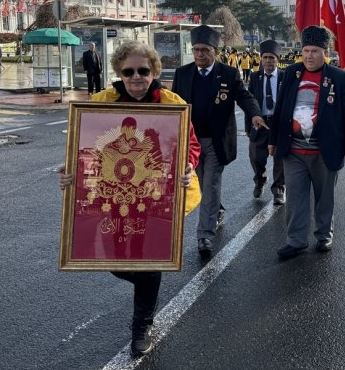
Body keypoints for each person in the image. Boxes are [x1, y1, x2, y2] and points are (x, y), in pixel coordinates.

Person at [57, 40, 201, 357]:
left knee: (149, 259)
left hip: (158, 197)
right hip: (114, 196)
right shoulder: (101, 101)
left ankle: (142, 326)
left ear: (154, 71)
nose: (136, 77)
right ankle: (146, 280)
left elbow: (190, 145)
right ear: (119, 72)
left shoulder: (171, 102)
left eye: (143, 71)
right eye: (129, 71)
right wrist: (71, 173)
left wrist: (188, 165)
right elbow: (85, 147)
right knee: (117, 259)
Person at [172, 25, 266, 257]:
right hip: (191, 143)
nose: (199, 55)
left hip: (216, 142)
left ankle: (205, 235)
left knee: (211, 183)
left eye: (204, 50)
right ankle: (217, 209)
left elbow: (245, 96)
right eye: (195, 50)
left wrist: (254, 114)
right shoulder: (182, 74)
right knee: (204, 183)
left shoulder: (229, 74)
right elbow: (171, 104)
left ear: (215, 50)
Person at [268, 26, 345, 260]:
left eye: (315, 51)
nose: (309, 56)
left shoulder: (339, 77)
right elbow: (280, 109)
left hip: (324, 150)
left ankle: (323, 235)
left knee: (324, 197)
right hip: (294, 151)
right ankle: (296, 241)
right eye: (305, 50)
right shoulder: (291, 73)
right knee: (296, 199)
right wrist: (273, 140)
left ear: (325, 51)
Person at [247, 39, 286, 204]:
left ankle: (278, 189)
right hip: (260, 122)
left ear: (278, 59)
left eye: (272, 57)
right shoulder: (255, 77)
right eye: (265, 57)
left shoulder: (285, 76)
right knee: (256, 156)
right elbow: (248, 101)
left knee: (280, 158)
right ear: (261, 59)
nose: (269, 61)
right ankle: (260, 180)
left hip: (279, 123)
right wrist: (249, 126)